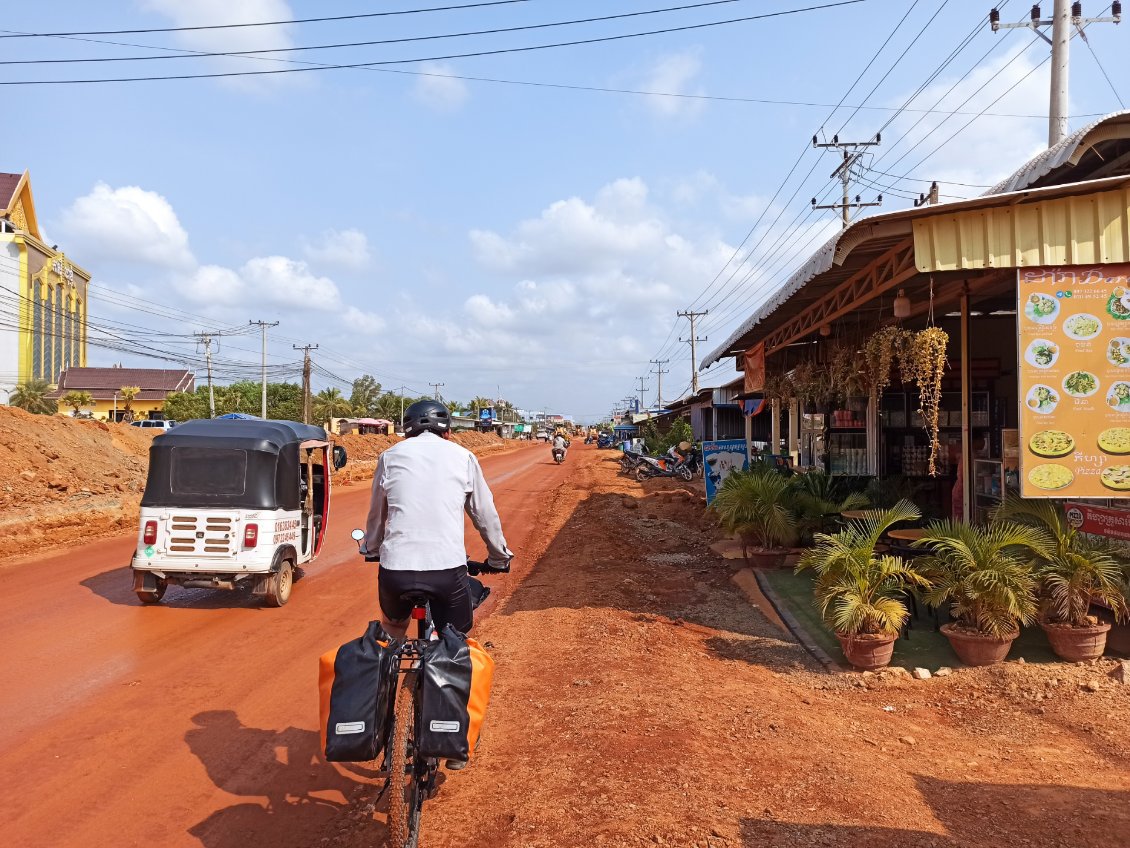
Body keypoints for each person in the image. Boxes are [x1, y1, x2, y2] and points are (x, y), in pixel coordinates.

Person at [361, 399, 512, 640]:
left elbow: (377, 512)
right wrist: (498, 558)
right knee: (454, 636)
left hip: (396, 569)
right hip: (447, 569)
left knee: (393, 627)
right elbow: (484, 514)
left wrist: (372, 548)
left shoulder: (389, 456)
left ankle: (387, 669)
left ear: (406, 433)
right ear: (448, 432)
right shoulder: (464, 457)